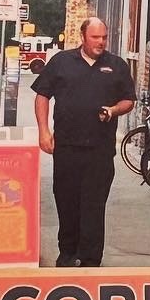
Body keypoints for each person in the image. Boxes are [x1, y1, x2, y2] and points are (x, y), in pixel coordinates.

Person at [32, 18, 135, 267]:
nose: (100, 42)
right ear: (83, 36)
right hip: (66, 147)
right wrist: (44, 131)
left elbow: (129, 100)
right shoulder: (61, 62)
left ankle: (90, 258)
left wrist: (112, 110)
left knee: (93, 204)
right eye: (95, 37)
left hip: (100, 150)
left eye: (104, 38)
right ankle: (67, 253)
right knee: (66, 201)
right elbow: (42, 95)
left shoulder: (117, 66)